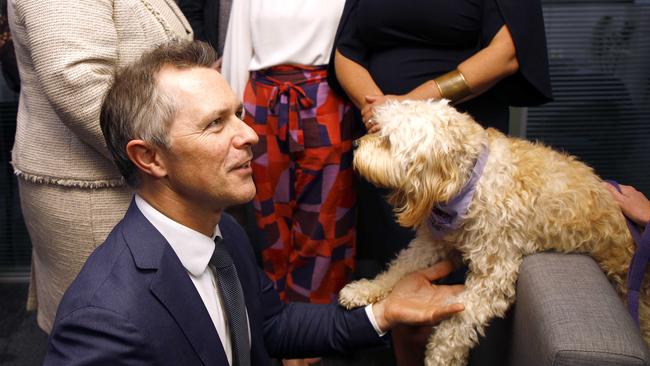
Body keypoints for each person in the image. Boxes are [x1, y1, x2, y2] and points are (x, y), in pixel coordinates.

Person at [43, 40, 465, 365]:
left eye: (238, 115)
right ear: (150, 157)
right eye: (215, 124)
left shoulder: (222, 230)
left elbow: (270, 323)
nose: (249, 135)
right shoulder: (103, 318)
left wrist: (383, 312)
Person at [328, 0, 553, 363]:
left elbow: (506, 54)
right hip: (386, 145)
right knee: (398, 283)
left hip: (457, 158)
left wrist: (405, 106)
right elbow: (346, 51)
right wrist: (378, 110)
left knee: (450, 295)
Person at [7, 0, 193, 333]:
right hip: (96, 192)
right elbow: (78, 83)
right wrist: (178, 157)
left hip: (134, 176)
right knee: (104, 334)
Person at [221, 0, 358, 306]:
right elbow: (238, 48)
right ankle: (279, 313)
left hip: (325, 97)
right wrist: (231, 117)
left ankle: (318, 317)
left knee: (326, 212)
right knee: (268, 210)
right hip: (263, 98)